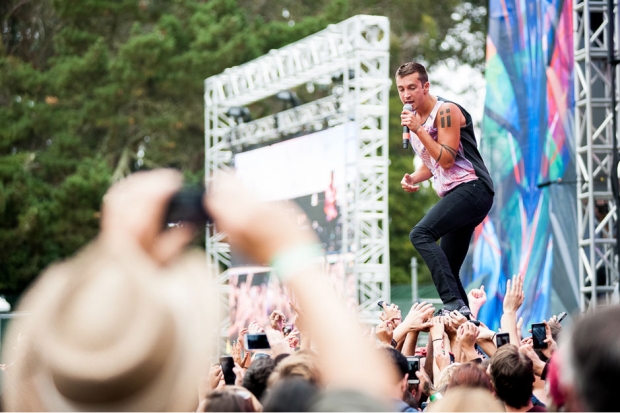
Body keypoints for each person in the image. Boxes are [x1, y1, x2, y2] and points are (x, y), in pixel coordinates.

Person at [396, 61, 494, 317]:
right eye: (400, 89)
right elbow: (433, 165)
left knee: (421, 234)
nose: (406, 95)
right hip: (456, 192)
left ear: (425, 86)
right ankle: (467, 321)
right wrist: (414, 178)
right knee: (448, 266)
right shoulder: (416, 119)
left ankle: (453, 304)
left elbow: (448, 159)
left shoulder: (446, 111)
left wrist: (418, 130)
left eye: (412, 87)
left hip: (474, 188)